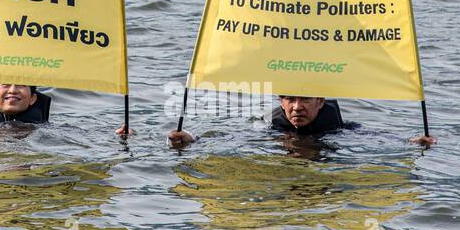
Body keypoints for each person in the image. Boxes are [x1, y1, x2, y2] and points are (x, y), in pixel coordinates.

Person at [165, 95, 436, 147]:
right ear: (281, 103)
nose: (297, 107)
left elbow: (379, 139)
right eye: (290, 100)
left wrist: (412, 142)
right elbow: (230, 139)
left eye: (305, 100)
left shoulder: (341, 130)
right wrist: (191, 139)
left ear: (320, 102)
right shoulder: (270, 128)